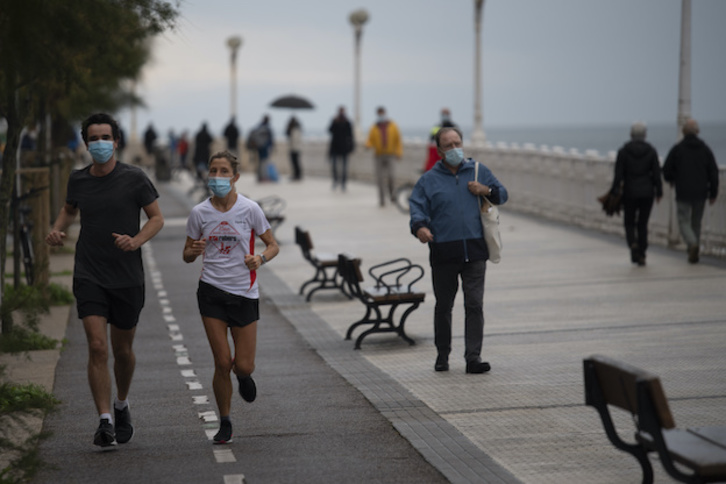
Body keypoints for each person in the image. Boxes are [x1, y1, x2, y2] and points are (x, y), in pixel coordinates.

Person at [45, 112, 164, 448]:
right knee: (97, 346)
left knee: (122, 351)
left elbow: (156, 219)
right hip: (89, 272)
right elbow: (70, 209)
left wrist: (135, 241)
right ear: (86, 143)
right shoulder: (78, 180)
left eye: (105, 138)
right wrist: (58, 229)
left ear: (116, 141)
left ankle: (121, 404)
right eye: (93, 138)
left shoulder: (135, 178)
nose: (99, 144)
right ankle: (104, 421)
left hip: (126, 276)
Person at [183, 150, 280, 444]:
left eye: (224, 171)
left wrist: (260, 259)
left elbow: (273, 245)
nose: (217, 176)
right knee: (222, 361)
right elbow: (187, 254)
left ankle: (244, 375)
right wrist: (194, 250)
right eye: (213, 170)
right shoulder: (200, 213)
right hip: (211, 291)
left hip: (244, 293)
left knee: (243, 365)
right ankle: (225, 420)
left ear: (235, 177)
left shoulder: (250, 209)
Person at [409, 127, 508, 374]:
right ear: (440, 150)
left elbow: (502, 194)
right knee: (444, 305)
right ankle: (443, 355)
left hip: (475, 250)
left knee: (474, 304)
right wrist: (420, 228)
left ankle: (473, 358)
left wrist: (485, 190)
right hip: (443, 252)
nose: (454, 149)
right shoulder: (428, 180)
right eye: (448, 145)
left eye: (457, 143)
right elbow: (416, 209)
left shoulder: (478, 171)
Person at [662, 118, 719, 263]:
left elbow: (666, 170)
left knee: (683, 221)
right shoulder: (705, 149)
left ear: (683, 132)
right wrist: (713, 192)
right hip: (701, 191)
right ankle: (694, 248)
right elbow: (713, 171)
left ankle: (692, 244)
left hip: (683, 191)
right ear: (697, 132)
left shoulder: (678, 149)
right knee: (696, 222)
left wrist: (673, 179)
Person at [609, 122, 663, 266]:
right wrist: (659, 191)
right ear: (645, 135)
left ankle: (633, 243)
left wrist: (614, 191)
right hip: (647, 192)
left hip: (630, 192)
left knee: (629, 222)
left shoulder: (624, 151)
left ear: (631, 135)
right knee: (643, 223)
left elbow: (618, 175)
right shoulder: (651, 151)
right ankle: (642, 251)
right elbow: (657, 173)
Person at [365, 106, 403, 206]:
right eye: (379, 114)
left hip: (390, 154)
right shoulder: (374, 127)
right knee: (380, 178)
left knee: (391, 176)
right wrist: (368, 145)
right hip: (378, 155)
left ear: (385, 113)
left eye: (382, 113)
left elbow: (398, 140)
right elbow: (370, 139)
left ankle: (392, 195)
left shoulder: (393, 126)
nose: (381, 115)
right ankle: (381, 200)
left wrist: (398, 152)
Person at [328, 106, 354, 191]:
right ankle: (335, 181)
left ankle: (343, 183)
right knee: (334, 166)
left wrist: (351, 147)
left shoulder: (347, 122)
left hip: (344, 148)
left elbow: (350, 135)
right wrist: (334, 122)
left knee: (344, 167)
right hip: (335, 147)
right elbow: (329, 130)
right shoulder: (335, 121)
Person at [247, 115, 274, 183]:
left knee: (260, 163)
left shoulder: (258, 127)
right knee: (264, 163)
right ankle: (264, 177)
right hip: (264, 148)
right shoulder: (267, 128)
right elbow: (270, 139)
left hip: (259, 147)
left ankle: (260, 177)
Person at [286, 116, 303, 181]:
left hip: (295, 148)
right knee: (294, 162)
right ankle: (296, 175)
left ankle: (298, 175)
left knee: (296, 162)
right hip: (293, 148)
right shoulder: (293, 129)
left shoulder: (296, 129)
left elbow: (295, 139)